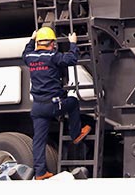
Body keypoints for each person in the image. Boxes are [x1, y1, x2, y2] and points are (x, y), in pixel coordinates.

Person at [23, 26, 91, 180]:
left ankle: (40, 173)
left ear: (38, 42)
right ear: (52, 43)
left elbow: (24, 53)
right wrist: (73, 43)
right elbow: (72, 59)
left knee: (39, 141)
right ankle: (76, 134)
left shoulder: (30, 57)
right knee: (73, 102)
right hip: (53, 105)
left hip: (38, 106)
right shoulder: (53, 56)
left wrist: (31, 40)